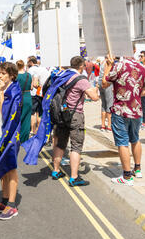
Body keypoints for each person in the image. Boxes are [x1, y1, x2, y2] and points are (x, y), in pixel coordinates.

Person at [51, 56, 100, 187]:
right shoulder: (81, 79)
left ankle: (55, 170)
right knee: (76, 146)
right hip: (75, 114)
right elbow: (94, 98)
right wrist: (95, 90)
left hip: (61, 113)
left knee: (60, 143)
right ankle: (74, 177)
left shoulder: (63, 75)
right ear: (81, 66)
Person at [102, 54, 145, 186]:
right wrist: (134, 93)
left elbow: (104, 83)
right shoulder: (142, 67)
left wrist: (108, 65)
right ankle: (137, 169)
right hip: (136, 109)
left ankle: (127, 176)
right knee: (135, 139)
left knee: (122, 142)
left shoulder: (118, 65)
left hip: (121, 110)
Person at [0, 62, 22, 220]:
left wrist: (1, 94)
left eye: (3, 73)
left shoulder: (14, 92)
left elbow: (6, 113)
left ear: (12, 75)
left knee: (11, 169)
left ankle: (12, 205)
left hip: (9, 136)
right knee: (1, 170)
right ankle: (5, 200)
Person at [27, 55, 50, 135]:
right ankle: (39, 130)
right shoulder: (46, 70)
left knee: (32, 113)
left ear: (31, 62)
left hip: (34, 93)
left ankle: (33, 131)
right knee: (40, 113)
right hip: (44, 94)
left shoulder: (32, 70)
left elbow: (34, 84)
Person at [16, 60, 32, 143]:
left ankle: (17, 136)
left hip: (18, 97)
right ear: (24, 66)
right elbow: (32, 87)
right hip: (27, 96)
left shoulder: (16, 76)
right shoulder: (29, 75)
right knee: (26, 119)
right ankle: (24, 138)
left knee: (18, 117)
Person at [99, 56, 114, 132]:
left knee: (103, 105)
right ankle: (109, 126)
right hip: (107, 84)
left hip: (100, 84)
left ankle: (102, 125)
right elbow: (108, 75)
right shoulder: (109, 63)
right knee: (109, 105)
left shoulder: (102, 62)